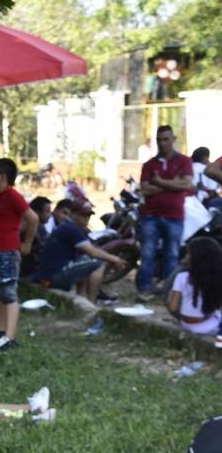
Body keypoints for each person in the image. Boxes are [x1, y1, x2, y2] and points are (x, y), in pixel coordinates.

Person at [0, 158, 38, 350]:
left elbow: (33, 218)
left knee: (8, 292)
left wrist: (27, 242)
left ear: (3, 177)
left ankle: (10, 336)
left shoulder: (13, 196)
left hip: (7, 251)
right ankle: (1, 329)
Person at [136, 125, 193, 300]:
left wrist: (159, 182)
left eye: (166, 139)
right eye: (159, 139)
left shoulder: (184, 161)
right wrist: (173, 184)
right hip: (151, 215)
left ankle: (168, 291)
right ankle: (144, 290)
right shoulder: (149, 165)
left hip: (175, 216)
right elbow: (144, 190)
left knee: (172, 255)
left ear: (173, 140)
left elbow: (188, 185)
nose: (162, 143)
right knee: (147, 254)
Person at [36, 200, 127, 302]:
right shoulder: (71, 229)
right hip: (51, 278)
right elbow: (93, 252)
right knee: (99, 264)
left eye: (89, 215)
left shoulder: (68, 226)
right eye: (83, 215)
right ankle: (92, 303)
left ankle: (82, 298)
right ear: (72, 214)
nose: (86, 218)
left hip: (47, 276)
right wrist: (115, 259)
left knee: (85, 261)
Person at [167, 237, 222, 337]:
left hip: (186, 324)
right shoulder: (217, 278)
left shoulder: (181, 277)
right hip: (209, 326)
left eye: (189, 253)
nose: (187, 256)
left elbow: (172, 307)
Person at [21, 196, 52, 277]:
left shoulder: (40, 227)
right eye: (48, 211)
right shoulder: (31, 227)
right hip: (29, 270)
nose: (50, 215)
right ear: (37, 212)